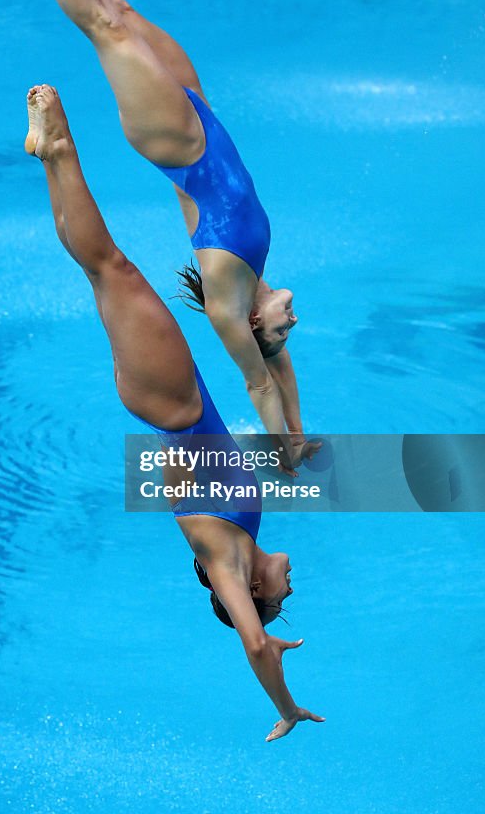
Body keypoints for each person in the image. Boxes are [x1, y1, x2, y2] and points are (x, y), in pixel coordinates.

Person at [24, 82, 324, 742]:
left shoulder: (222, 559)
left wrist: (284, 703)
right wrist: (290, 442)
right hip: (180, 402)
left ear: (251, 596)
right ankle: (56, 152)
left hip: (171, 404)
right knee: (111, 274)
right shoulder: (238, 531)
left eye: (275, 605)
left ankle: (56, 152)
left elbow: (253, 647)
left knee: (110, 271)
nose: (288, 595)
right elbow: (194, 473)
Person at [20, 0, 320, 470]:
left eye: (283, 327)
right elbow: (279, 369)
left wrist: (279, 459)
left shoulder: (227, 302)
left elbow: (257, 381)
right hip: (203, 121)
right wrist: (297, 435)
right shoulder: (255, 284)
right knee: (122, 11)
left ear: (256, 322)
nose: (294, 318)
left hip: (177, 142)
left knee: (105, 28)